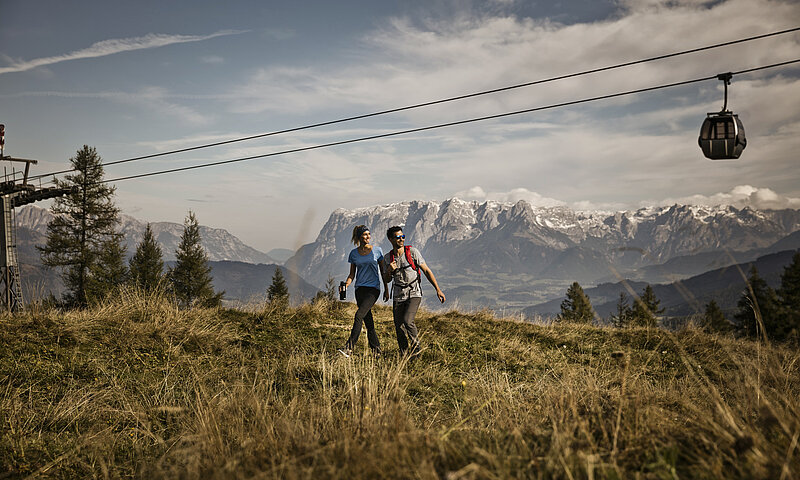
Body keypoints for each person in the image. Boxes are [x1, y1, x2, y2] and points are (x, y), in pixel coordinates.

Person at [382, 225, 445, 358]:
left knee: (407, 320)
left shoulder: (412, 252)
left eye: (402, 236)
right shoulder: (387, 258)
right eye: (398, 237)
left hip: (414, 292)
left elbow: (427, 271)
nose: (401, 239)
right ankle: (404, 355)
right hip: (398, 295)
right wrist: (389, 270)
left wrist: (438, 290)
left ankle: (417, 350)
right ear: (390, 239)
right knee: (398, 327)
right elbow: (386, 279)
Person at [338, 225, 386, 358]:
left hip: (373, 289)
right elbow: (352, 274)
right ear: (359, 237)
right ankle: (377, 351)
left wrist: (386, 289)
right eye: (365, 234)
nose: (368, 237)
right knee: (368, 321)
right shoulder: (353, 253)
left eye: (369, 234)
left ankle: (349, 348)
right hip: (359, 290)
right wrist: (346, 285)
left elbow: (383, 271)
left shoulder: (377, 251)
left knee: (359, 315)